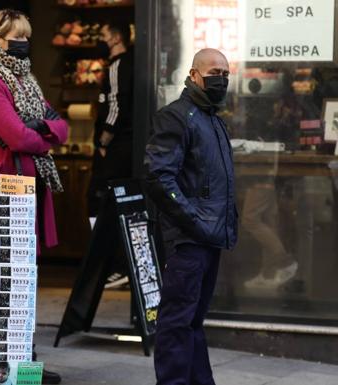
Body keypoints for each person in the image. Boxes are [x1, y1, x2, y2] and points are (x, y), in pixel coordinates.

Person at [0, 9, 67, 385]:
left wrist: (42, 128)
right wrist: (42, 135)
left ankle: (23, 370)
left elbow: (60, 126)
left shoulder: (27, 81)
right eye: (16, 36)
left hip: (27, 185)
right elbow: (16, 137)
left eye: (27, 35)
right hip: (3, 187)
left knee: (23, 281)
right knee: (2, 284)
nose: (24, 42)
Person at [144, 48, 237, 385]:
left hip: (209, 237)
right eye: (215, 72)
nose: (222, 79)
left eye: (226, 73)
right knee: (177, 322)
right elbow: (157, 177)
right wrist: (193, 220)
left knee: (193, 321)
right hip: (188, 240)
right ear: (195, 75)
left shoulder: (213, 119)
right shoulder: (177, 116)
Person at [86, 21, 134, 289]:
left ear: (116, 38)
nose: (100, 40)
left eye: (103, 35)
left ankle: (114, 264)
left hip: (116, 148)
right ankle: (112, 263)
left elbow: (117, 105)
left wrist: (105, 139)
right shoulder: (127, 64)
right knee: (113, 202)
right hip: (123, 148)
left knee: (100, 201)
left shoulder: (118, 65)